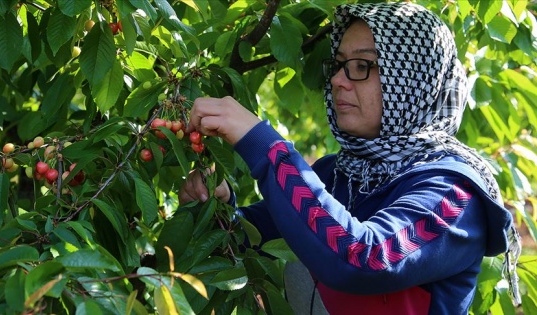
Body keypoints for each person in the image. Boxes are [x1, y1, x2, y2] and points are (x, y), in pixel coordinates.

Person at [179, 2, 521, 314]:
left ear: (414, 79)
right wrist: (215, 208)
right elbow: (247, 247)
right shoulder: (335, 174)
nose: (338, 81)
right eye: (340, 65)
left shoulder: (454, 195)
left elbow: (367, 258)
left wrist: (264, 146)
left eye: (363, 66)